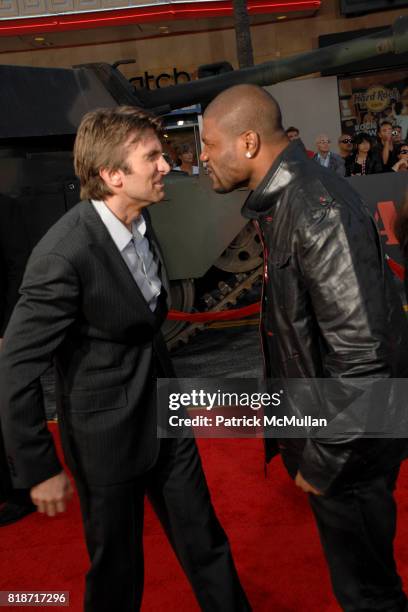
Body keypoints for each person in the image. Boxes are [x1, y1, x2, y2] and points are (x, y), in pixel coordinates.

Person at [0, 107, 250, 612]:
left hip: (166, 416)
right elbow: (15, 370)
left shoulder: (140, 220)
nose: (166, 164)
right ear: (113, 175)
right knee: (117, 573)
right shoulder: (62, 255)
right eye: (152, 156)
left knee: (205, 542)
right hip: (105, 439)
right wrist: (38, 468)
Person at [200, 83, 408, 612]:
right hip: (339, 438)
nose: (200, 158)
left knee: (370, 597)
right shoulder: (288, 201)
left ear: (247, 142)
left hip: (349, 448)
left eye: (207, 144)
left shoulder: (316, 208)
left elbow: (363, 359)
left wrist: (321, 462)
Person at [0, 194, 36, 525]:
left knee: (12, 411)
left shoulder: (6, 207)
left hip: (2, 328)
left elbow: (18, 267)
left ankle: (22, 490)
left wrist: (8, 328)